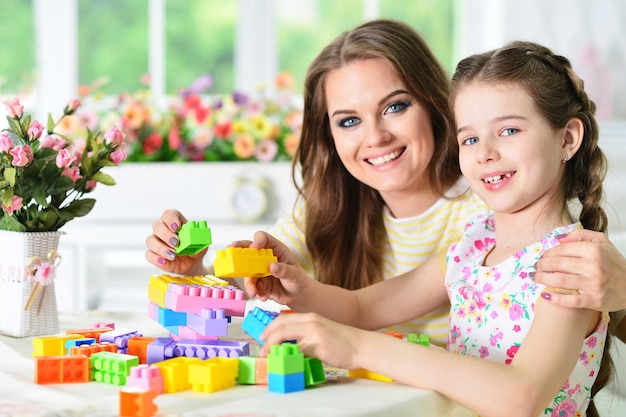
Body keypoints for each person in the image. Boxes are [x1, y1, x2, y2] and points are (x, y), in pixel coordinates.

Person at [144, 19, 626, 344]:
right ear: (329, 135)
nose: (375, 136)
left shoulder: (497, 204)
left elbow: (582, 321)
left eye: (396, 106)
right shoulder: (326, 208)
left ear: (438, 106)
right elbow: (273, 288)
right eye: (348, 121)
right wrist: (195, 272)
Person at [244, 40, 613, 417]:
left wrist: (357, 347)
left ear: (567, 139)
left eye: (508, 131)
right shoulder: (473, 246)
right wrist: (300, 290)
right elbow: (360, 307)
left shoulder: (572, 266)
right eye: (469, 138)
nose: (484, 152)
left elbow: (521, 396)